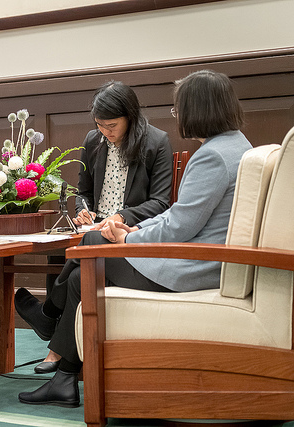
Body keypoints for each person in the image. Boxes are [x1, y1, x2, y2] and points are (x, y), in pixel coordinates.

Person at [15, 69, 251, 407]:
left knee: (94, 247)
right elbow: (179, 217)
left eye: (178, 108)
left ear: (197, 110)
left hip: (195, 268)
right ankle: (64, 377)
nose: (178, 115)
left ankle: (53, 331)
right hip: (204, 258)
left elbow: (179, 224)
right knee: (87, 266)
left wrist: (127, 238)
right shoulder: (236, 145)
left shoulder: (212, 156)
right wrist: (136, 232)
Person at [38, 81, 173, 375]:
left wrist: (121, 216)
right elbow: (82, 190)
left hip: (129, 234)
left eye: (111, 125)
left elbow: (162, 202)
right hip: (94, 228)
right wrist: (82, 210)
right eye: (99, 125)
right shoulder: (93, 141)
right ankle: (60, 356)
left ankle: (50, 320)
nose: (105, 132)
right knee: (67, 259)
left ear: (130, 116)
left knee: (79, 261)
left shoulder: (156, 142)